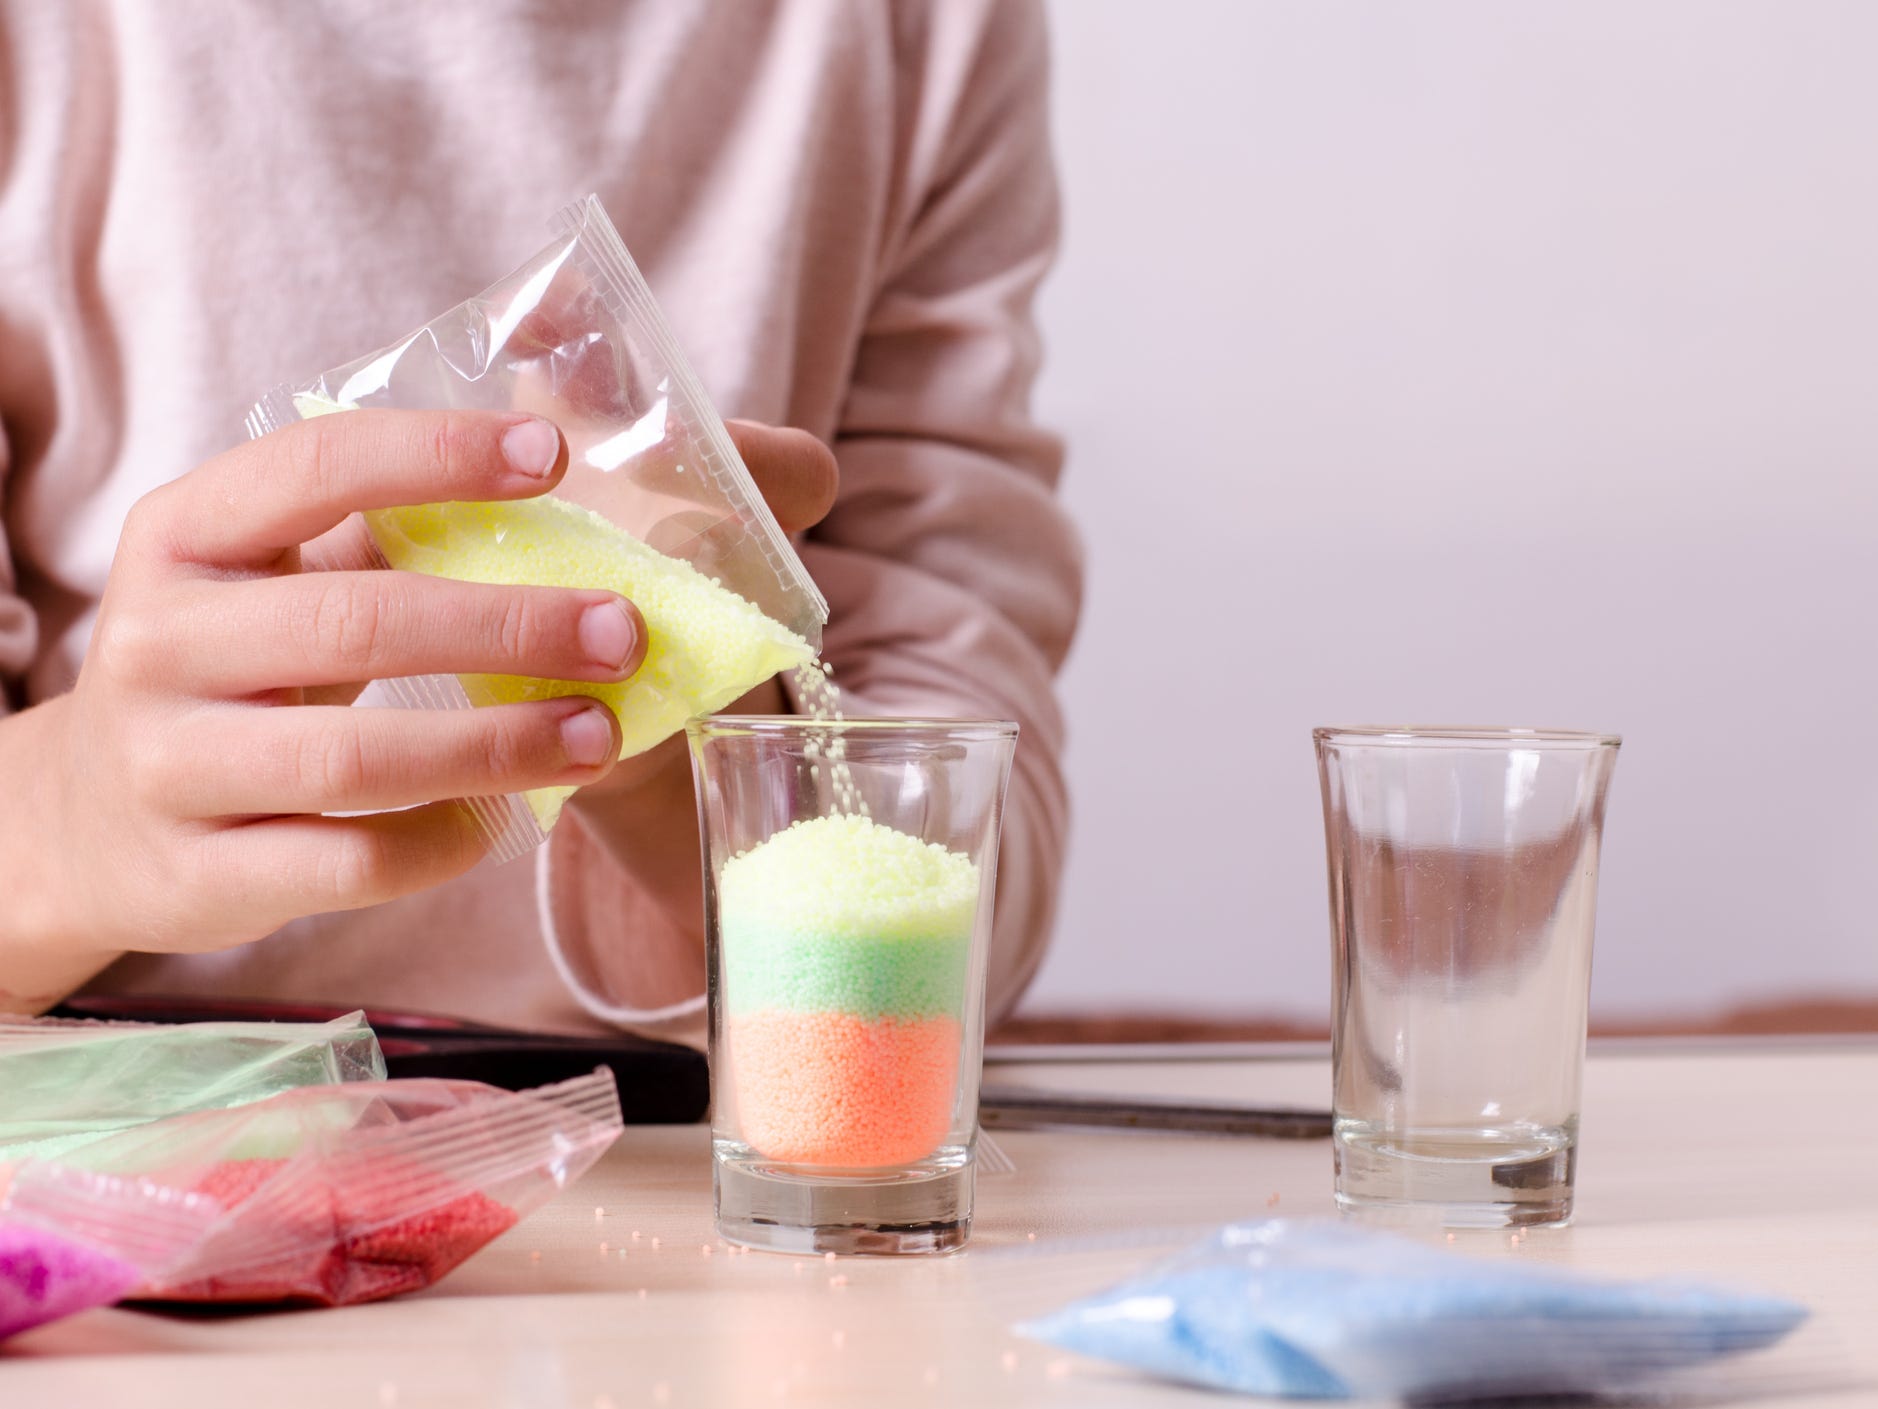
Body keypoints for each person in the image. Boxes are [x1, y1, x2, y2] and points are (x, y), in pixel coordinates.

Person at [0, 2, 1082, 1045]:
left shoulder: (914, 25)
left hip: (667, 1149)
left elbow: (966, 874)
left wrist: (667, 713)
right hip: (112, 1137)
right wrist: (69, 818)